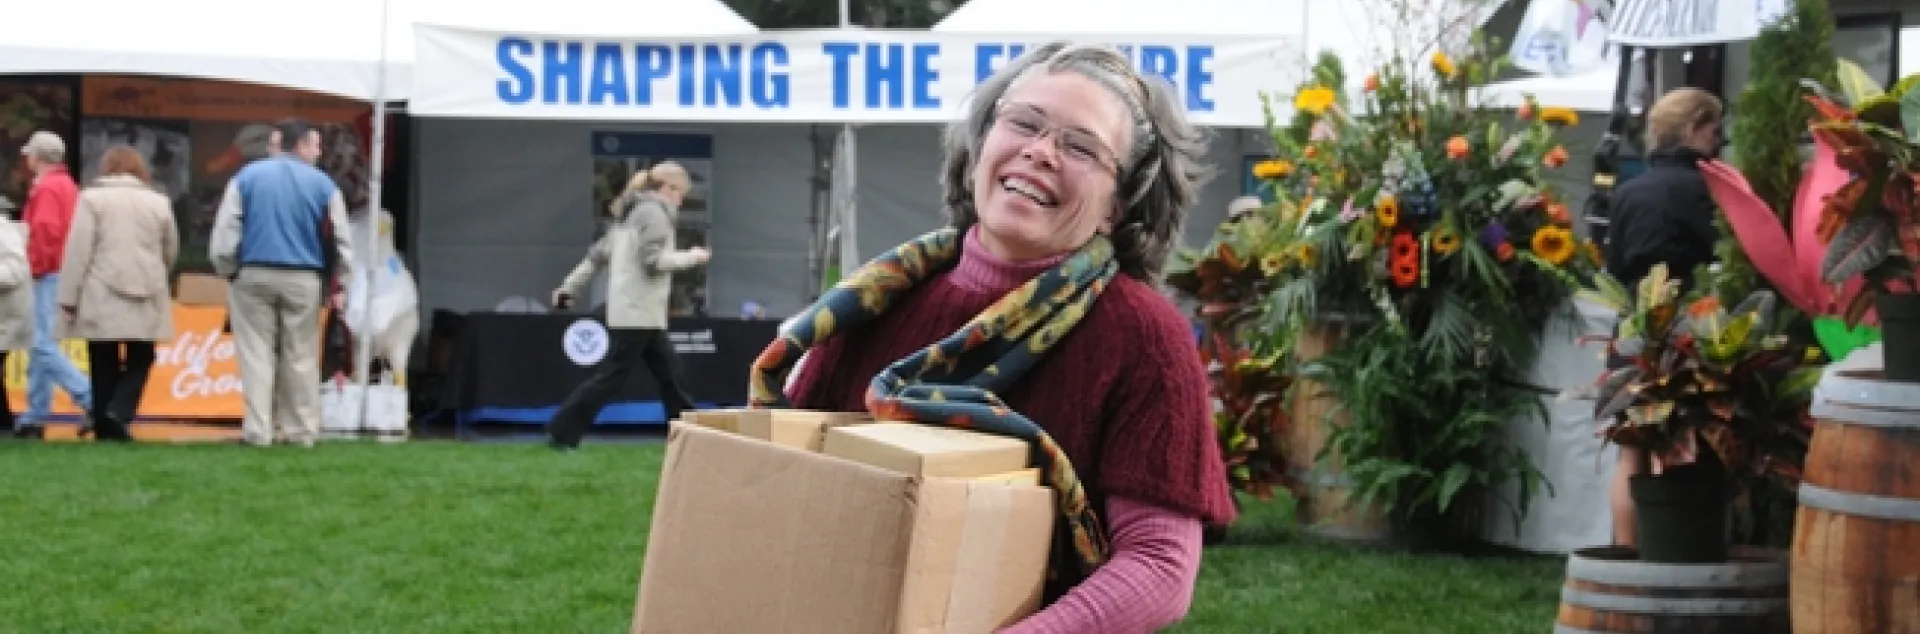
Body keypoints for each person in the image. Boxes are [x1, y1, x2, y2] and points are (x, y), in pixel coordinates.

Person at [754, 43, 1235, 633]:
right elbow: (784, 480)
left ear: (1119, 205)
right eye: (1024, 123)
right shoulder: (875, 301)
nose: (1039, 151)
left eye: (1080, 147)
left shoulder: (1143, 336)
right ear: (979, 146)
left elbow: (1159, 566)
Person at [1601, 87, 1727, 548]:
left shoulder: (1627, 193)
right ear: (1694, 129)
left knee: (1630, 452)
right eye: (1714, 129)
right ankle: (1672, 552)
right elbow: (1723, 256)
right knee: (1684, 448)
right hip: (1687, 324)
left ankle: (1627, 553)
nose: (1719, 139)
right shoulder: (1708, 189)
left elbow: (1613, 268)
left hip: (1633, 325)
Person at [210, 118, 353, 448]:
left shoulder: (246, 178)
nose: (319, 152)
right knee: (301, 356)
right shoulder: (323, 185)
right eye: (315, 146)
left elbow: (226, 231)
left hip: (254, 274)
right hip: (304, 277)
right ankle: (302, 431)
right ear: (300, 145)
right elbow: (343, 241)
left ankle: (258, 431)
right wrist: (340, 283)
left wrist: (229, 269)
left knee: (256, 354)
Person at [546, 163, 710, 451]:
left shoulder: (628, 214)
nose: (682, 201)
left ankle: (689, 437)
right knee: (613, 378)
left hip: (635, 312)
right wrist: (692, 257)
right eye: (681, 193)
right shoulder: (655, 215)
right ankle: (562, 429)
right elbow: (654, 262)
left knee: (671, 375)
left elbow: (595, 258)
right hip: (639, 313)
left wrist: (567, 290)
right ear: (667, 188)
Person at [57, 146, 179, 443]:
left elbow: (78, 251)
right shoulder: (159, 202)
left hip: (101, 286)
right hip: (147, 287)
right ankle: (120, 412)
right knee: (142, 355)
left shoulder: (92, 199)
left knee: (102, 356)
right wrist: (159, 273)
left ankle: (103, 420)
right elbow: (171, 249)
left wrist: (68, 297)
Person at [14, 131, 92, 440]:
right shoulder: (68, 185)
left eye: (29, 153)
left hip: (48, 272)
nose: (26, 159)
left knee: (41, 344)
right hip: (61, 270)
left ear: (38, 157)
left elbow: (45, 232)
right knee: (42, 344)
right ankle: (35, 413)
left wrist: (33, 267)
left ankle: (89, 398)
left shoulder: (46, 188)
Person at [0, 196, 32, 434]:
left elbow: (16, 269)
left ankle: (5, 424)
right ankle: (5, 423)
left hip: (7, 314)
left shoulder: (5, 231)